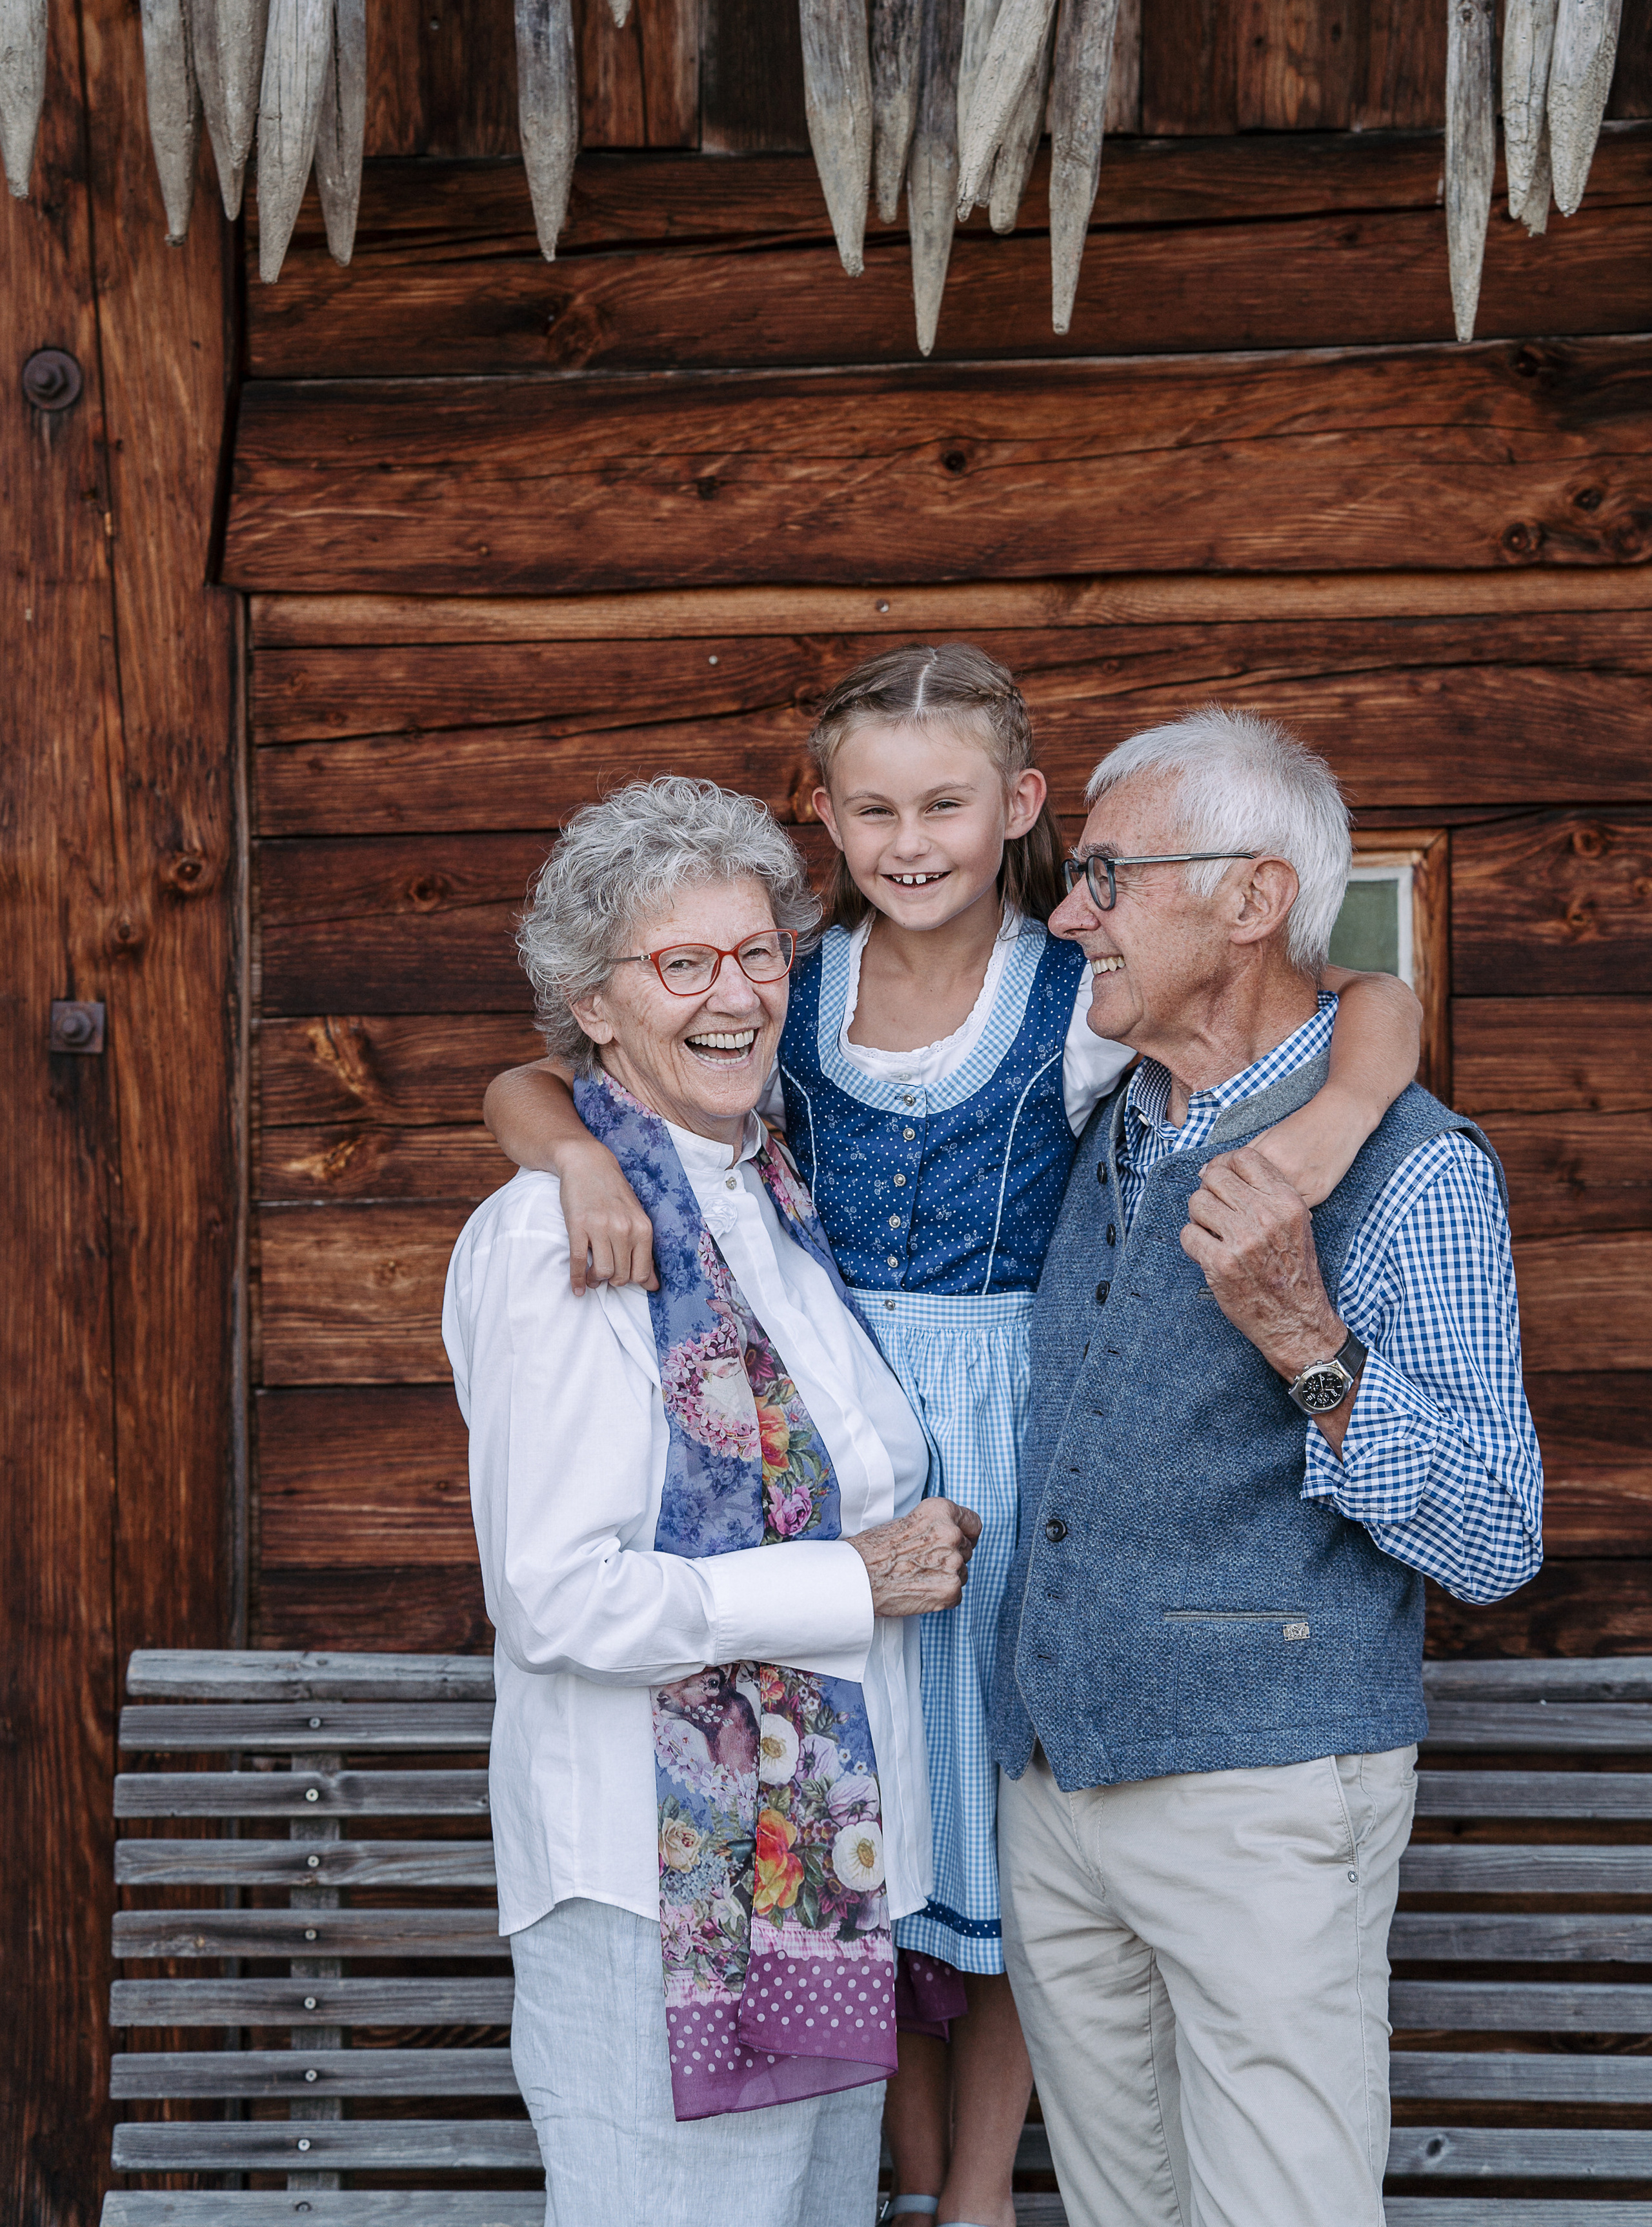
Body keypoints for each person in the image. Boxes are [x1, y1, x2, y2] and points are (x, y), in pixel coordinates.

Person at [483, 647, 1424, 2227]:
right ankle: (909, 2180)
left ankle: (974, 2188)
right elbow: (547, 1072)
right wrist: (573, 1160)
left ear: (1020, 810)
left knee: (991, 1828)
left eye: (944, 802)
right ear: (826, 820)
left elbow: (1372, 1001)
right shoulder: (784, 987)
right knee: (883, 1811)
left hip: (998, 1427)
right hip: (822, 1393)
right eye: (870, 808)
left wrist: (1327, 1128)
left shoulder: (1079, 990)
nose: (907, 839)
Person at [990, 705, 1544, 2227]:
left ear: (1247, 900)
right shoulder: (1103, 1106)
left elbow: (1495, 1537)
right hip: (1053, 1780)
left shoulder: (1414, 1168)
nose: (1064, 911)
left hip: (1262, 1784)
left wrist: (1307, 1342)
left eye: (1104, 875)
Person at [444, 774, 982, 2227]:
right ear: (592, 1006)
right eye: (682, 963)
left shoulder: (767, 1198)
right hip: (652, 1890)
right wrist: (849, 1580)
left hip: (812, 1871)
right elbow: (558, 1596)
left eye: (758, 954)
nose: (733, 994)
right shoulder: (561, 1235)